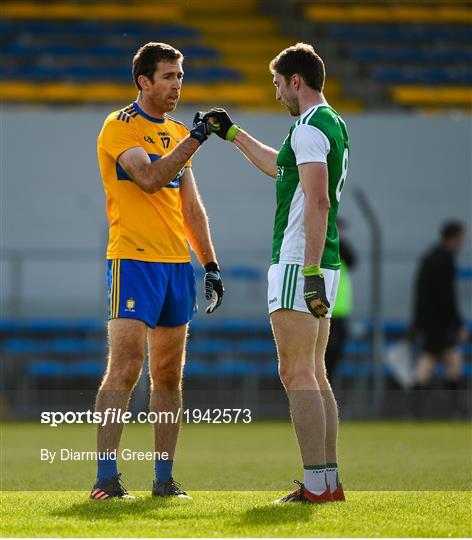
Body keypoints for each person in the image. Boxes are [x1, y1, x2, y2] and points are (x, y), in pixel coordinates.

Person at [204, 43, 349, 504]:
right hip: (322, 262)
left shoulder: (308, 128)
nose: (276, 94)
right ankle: (328, 483)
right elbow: (278, 166)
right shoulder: (330, 123)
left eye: (277, 85)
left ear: (296, 82)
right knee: (315, 373)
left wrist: (305, 270)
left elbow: (319, 200)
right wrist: (231, 134)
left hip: (298, 262)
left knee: (295, 373)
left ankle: (315, 485)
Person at [92, 42, 224, 500]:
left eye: (180, 77)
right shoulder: (119, 126)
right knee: (126, 367)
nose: (177, 86)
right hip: (132, 260)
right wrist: (196, 138)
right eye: (168, 77)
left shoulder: (175, 132)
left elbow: (190, 207)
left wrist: (209, 264)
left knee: (168, 376)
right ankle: (106, 479)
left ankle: (164, 480)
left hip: (175, 268)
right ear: (144, 82)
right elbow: (148, 179)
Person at [411, 221, 467, 416]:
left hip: (428, 323)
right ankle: (453, 408)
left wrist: (417, 322)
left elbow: (419, 294)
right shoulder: (445, 261)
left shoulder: (428, 259)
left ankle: (417, 409)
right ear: (453, 237)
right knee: (443, 361)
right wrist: (458, 323)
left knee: (437, 361)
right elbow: (447, 297)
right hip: (440, 325)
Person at [325, 218, 357, 382]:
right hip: (324, 308)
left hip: (340, 308)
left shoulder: (341, 248)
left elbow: (353, 261)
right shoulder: (322, 246)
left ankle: (328, 383)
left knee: (337, 350)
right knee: (326, 350)